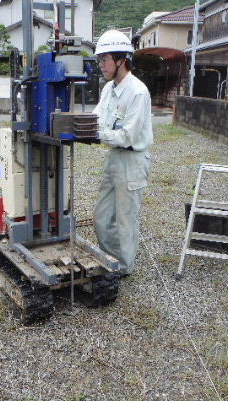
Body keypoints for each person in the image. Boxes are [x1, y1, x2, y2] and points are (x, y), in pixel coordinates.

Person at [92, 30, 153, 277]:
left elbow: (127, 136)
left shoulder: (138, 92)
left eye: (105, 59)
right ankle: (111, 259)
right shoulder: (108, 89)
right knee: (101, 216)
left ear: (121, 60)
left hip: (132, 159)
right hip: (114, 157)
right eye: (100, 60)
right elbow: (95, 119)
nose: (101, 65)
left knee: (126, 219)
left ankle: (123, 268)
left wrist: (97, 134)